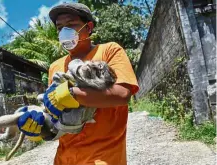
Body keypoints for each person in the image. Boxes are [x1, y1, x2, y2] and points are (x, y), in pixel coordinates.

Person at [17, 2, 139, 165]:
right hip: (64, 159)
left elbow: (122, 94)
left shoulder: (109, 51)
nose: (64, 32)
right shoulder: (55, 67)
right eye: (60, 28)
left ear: (88, 28)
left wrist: (72, 94)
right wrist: (41, 130)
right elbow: (57, 121)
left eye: (71, 24)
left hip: (104, 158)